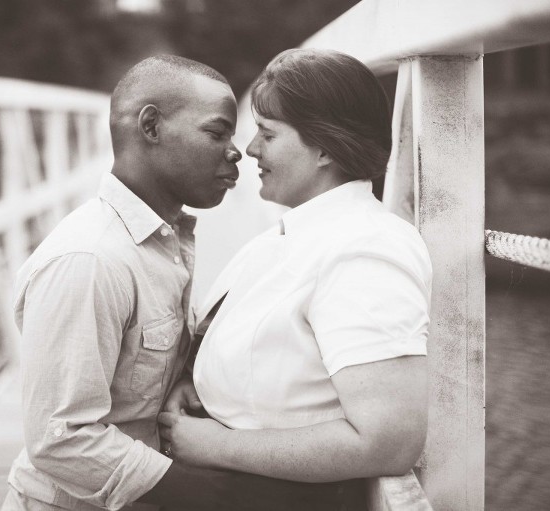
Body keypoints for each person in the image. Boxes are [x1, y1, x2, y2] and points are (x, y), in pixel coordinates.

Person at [3, 54, 355, 511]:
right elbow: (59, 439)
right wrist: (230, 497)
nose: (238, 151)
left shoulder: (166, 241)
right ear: (151, 127)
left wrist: (187, 378)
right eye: (216, 132)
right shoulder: (90, 260)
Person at [159, 49, 433, 503]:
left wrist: (218, 445)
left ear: (325, 146)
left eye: (267, 134)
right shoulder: (295, 233)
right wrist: (201, 384)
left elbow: (389, 442)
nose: (249, 150)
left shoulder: (365, 252)